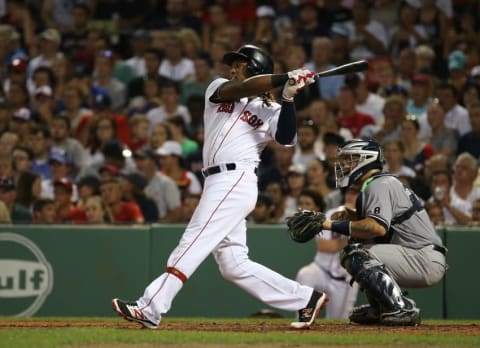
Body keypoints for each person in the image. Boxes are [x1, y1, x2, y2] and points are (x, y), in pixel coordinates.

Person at [112, 44, 328, 329]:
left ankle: (150, 306)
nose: (232, 68)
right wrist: (286, 77)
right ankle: (304, 299)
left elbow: (287, 139)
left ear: (256, 68)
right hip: (217, 181)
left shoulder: (270, 108)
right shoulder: (219, 88)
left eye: (240, 64)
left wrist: (288, 97)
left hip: (236, 179)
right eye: (233, 64)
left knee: (194, 239)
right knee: (233, 265)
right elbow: (240, 89)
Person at [319, 139, 447, 325]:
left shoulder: (379, 184)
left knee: (357, 254)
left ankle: (400, 307)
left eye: (350, 159)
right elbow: (382, 227)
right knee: (359, 249)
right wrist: (351, 217)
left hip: (422, 257)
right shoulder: (381, 182)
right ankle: (381, 307)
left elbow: (377, 227)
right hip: (419, 254)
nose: (344, 165)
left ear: (366, 159)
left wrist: (329, 225)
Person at [295, 187, 359, 319]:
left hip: (343, 279)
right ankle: (302, 320)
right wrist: (355, 235)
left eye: (355, 193)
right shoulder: (332, 214)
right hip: (321, 270)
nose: (349, 195)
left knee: (339, 322)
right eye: (348, 192)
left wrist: (358, 226)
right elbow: (325, 246)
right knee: (305, 274)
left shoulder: (370, 220)